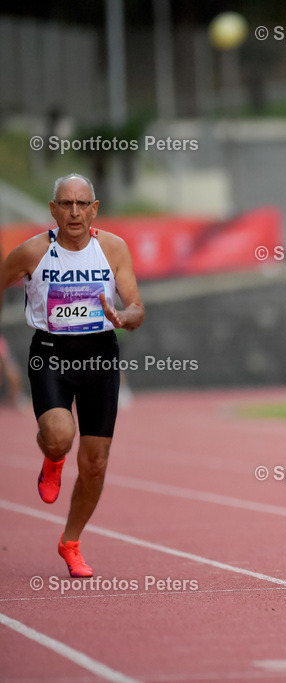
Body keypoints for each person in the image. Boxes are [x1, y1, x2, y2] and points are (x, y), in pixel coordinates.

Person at [0, 173, 144, 578]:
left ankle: (71, 542)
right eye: (66, 204)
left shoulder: (113, 249)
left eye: (83, 204)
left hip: (100, 356)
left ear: (94, 209)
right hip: (50, 354)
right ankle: (53, 456)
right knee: (60, 435)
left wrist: (124, 316)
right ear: (53, 209)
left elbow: (137, 307)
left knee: (96, 462)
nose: (75, 212)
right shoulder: (32, 253)